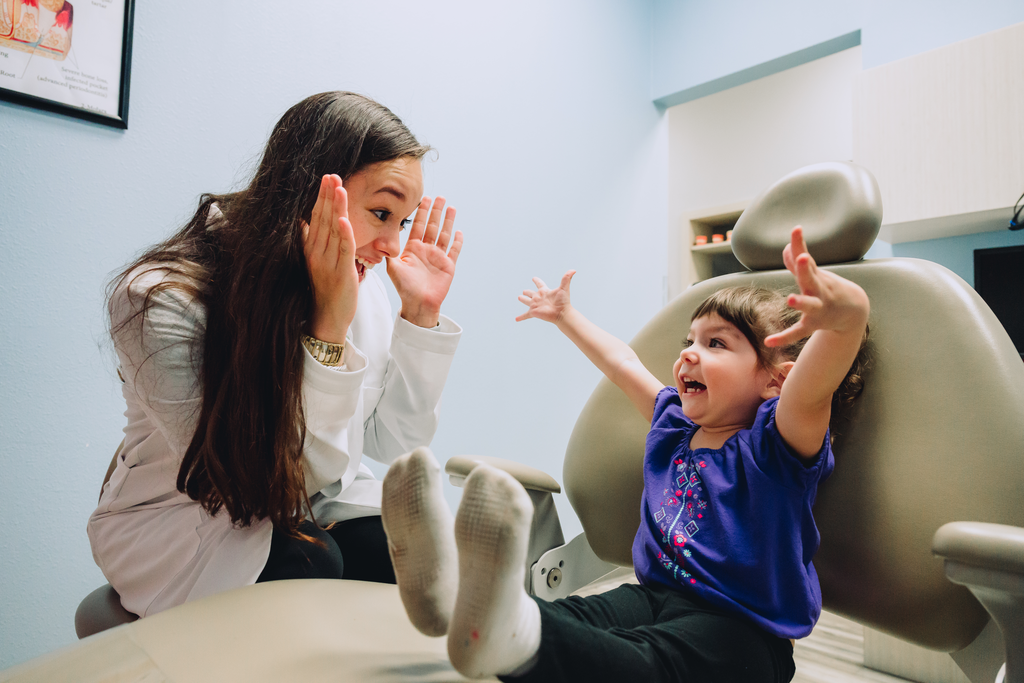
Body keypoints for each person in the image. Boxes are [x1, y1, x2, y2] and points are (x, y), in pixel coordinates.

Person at [380, 226, 870, 682]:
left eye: (716, 343)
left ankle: (508, 635)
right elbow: (622, 362)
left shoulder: (776, 447)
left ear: (774, 380)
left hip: (741, 629)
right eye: (690, 341)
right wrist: (564, 316)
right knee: (570, 616)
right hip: (655, 595)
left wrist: (846, 322)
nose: (688, 354)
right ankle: (454, 604)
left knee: (646, 665)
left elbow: (811, 389)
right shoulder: (674, 425)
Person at [88, 91, 464, 618]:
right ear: (310, 193)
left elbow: (392, 439)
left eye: (401, 222)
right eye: (381, 213)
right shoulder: (162, 298)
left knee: (407, 555)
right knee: (309, 562)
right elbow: (256, 486)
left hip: (307, 498)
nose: (393, 247)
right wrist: (329, 329)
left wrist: (419, 317)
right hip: (182, 516)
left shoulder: (358, 282)